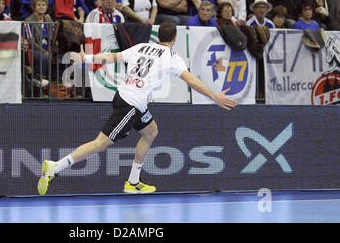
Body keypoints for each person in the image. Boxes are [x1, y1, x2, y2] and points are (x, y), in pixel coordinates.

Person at [37, 21, 237, 195]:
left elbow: (113, 57)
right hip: (131, 105)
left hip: (123, 96)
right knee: (100, 144)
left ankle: (133, 181)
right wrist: (214, 96)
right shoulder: (171, 56)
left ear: (159, 36)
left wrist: (88, 58)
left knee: (151, 131)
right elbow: (191, 80)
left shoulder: (142, 47)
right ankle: (56, 167)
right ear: (174, 39)